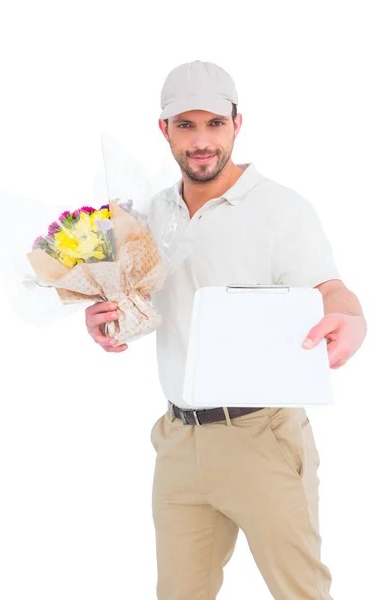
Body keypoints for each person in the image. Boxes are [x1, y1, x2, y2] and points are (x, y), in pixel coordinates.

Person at [85, 60, 367, 599]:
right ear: (164, 130)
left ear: (238, 123)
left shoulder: (280, 210)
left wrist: (352, 319)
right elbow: (134, 301)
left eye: (214, 123)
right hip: (177, 442)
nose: (201, 141)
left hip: (262, 438)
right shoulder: (149, 214)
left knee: (300, 593)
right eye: (185, 126)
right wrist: (103, 317)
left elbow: (330, 289)